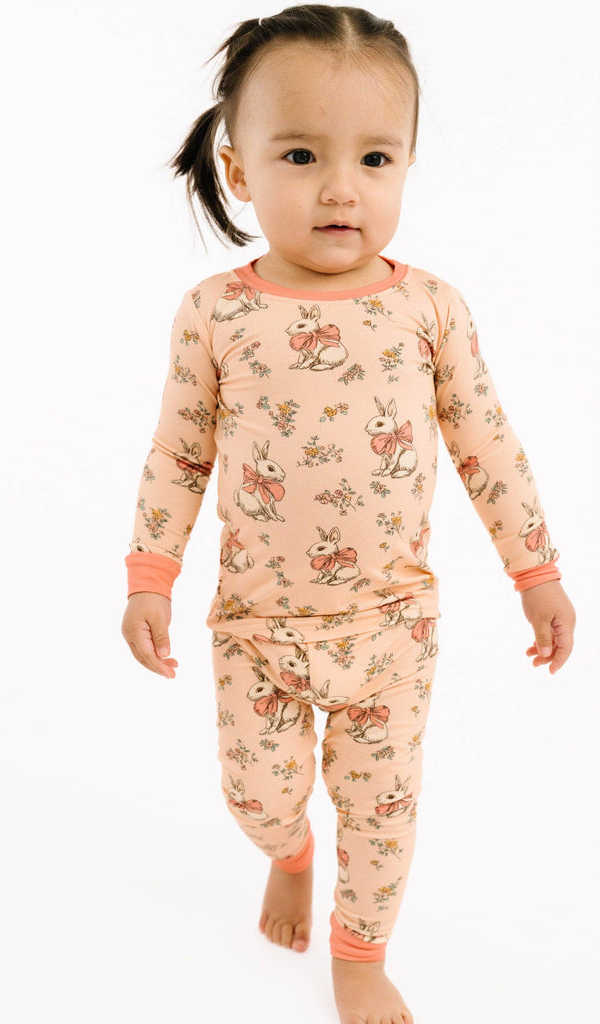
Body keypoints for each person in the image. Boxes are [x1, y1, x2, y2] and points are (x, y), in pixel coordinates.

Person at [121, 6, 576, 1023]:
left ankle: (359, 952)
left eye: (374, 158)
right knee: (255, 796)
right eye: (300, 154)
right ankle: (288, 853)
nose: (340, 188)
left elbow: (487, 445)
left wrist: (535, 573)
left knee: (381, 813)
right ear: (239, 170)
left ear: (406, 164)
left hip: (389, 627)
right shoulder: (215, 312)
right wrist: (149, 576)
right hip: (258, 625)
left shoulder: (429, 308)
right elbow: (178, 452)